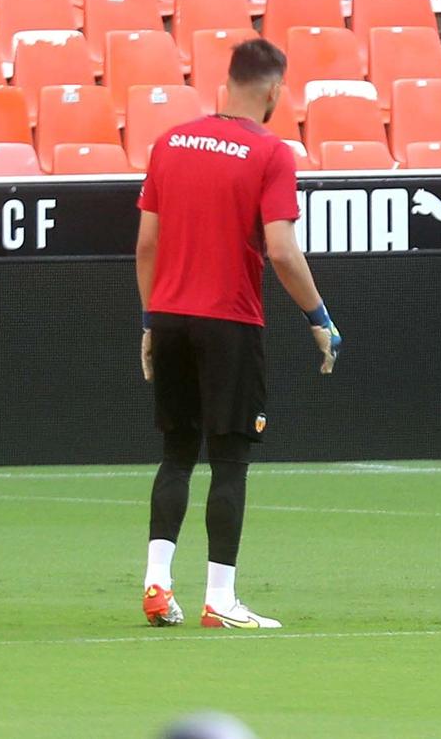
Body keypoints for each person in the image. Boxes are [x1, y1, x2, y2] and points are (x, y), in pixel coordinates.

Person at [135, 37, 343, 630]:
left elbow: (147, 244)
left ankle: (156, 584)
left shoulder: (169, 142)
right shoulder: (270, 151)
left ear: (225, 82)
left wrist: (151, 318)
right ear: (275, 89)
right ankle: (219, 599)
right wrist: (318, 317)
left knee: (176, 454)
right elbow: (281, 249)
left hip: (170, 316)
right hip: (229, 320)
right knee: (229, 463)